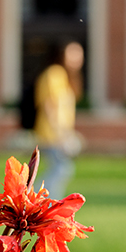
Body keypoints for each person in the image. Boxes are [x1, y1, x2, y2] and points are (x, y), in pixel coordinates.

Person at [34, 41, 84, 199]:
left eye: (79, 54)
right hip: (51, 134)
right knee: (61, 169)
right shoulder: (54, 74)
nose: (77, 58)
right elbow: (49, 105)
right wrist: (61, 134)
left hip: (59, 133)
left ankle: (45, 201)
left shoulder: (65, 77)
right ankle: (40, 200)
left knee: (61, 169)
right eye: (72, 54)